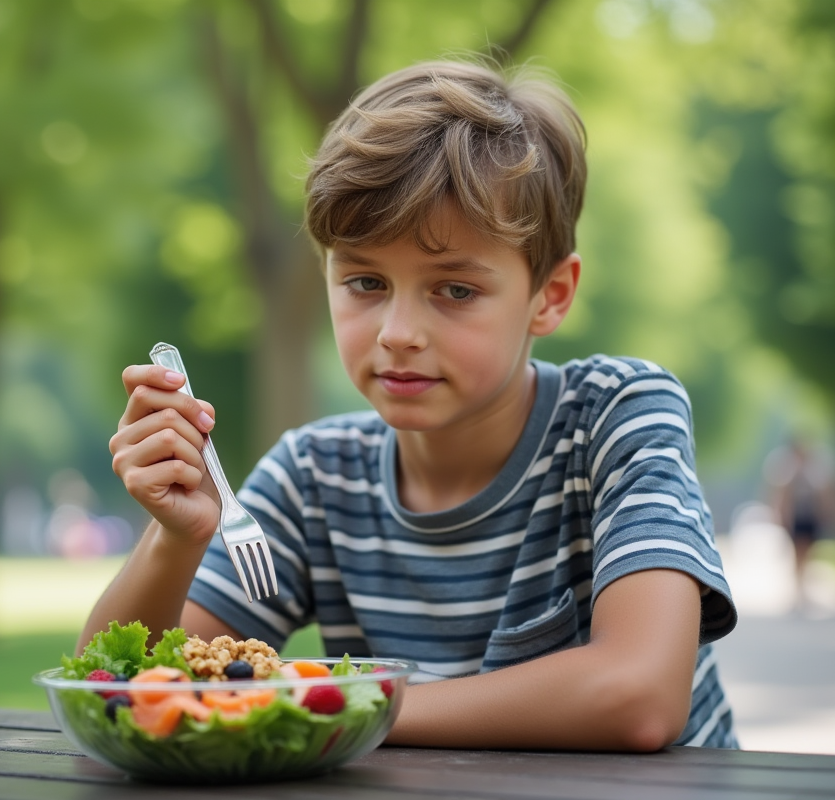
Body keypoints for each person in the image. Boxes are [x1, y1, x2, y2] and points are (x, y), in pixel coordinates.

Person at [83, 59, 738, 751]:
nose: (397, 334)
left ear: (550, 294)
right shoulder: (314, 477)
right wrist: (175, 539)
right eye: (365, 281)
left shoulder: (618, 416)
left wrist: (338, 707)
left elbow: (638, 696)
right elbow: (121, 701)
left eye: (454, 290)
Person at [763, 437, 835, 610]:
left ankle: (803, 585)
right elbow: (781, 492)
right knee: (797, 550)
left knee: (808, 550)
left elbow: (824, 492)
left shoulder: (815, 468)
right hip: (796, 516)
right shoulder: (786, 467)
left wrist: (827, 511)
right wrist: (780, 514)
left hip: (810, 515)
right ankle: (798, 589)